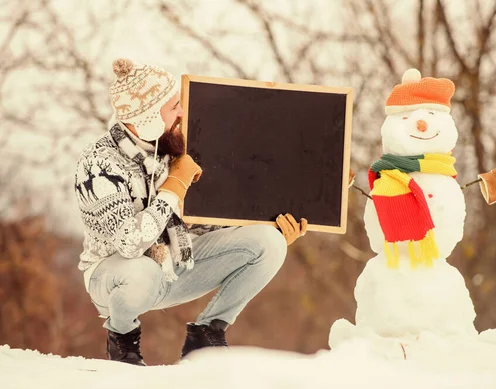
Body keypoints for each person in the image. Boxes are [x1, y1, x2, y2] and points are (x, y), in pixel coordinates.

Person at [74, 58, 326, 366]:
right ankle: (122, 337)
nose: (182, 113)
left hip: (175, 265)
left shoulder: (174, 149)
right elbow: (129, 244)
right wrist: (174, 186)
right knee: (143, 270)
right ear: (148, 117)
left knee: (267, 244)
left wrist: (275, 225)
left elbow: (204, 224)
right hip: (116, 278)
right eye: (173, 107)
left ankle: (206, 335)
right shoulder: (99, 163)